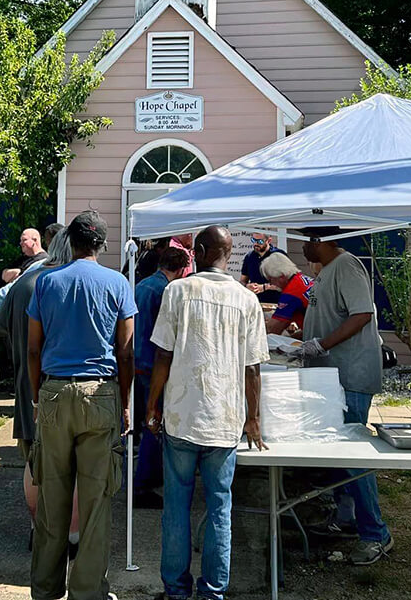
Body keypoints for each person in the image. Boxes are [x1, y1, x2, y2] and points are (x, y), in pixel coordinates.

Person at [146, 226, 268, 600]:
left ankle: (176, 591)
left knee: (176, 507)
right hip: (225, 418)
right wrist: (253, 418)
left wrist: (152, 405)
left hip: (182, 416)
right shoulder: (247, 300)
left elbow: (163, 355)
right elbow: (253, 368)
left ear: (198, 252)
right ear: (228, 255)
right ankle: (213, 591)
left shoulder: (177, 291)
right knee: (219, 507)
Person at [27, 210, 136, 600]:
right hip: (101, 393)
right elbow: (126, 351)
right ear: (102, 244)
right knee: (96, 503)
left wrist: (37, 395)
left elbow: (33, 347)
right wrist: (125, 402)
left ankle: (45, 589)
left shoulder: (46, 282)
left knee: (51, 499)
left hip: (55, 391)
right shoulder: (117, 283)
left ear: (69, 242)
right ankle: (88, 592)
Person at [299, 227, 393, 565]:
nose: (303, 247)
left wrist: (322, 344)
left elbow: (361, 314)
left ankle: (376, 534)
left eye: (305, 240)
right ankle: (346, 516)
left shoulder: (347, 265)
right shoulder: (326, 270)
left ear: (319, 241)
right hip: (331, 375)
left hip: (350, 375)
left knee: (353, 456)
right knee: (338, 451)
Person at [0, 226, 77, 543]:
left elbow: (1, 327)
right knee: (68, 464)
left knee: (33, 461)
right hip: (61, 386)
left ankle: (37, 529)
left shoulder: (23, 283)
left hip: (26, 388)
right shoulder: (65, 284)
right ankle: (68, 534)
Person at [131, 245, 191, 506]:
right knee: (154, 423)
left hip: (135, 359)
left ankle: (138, 479)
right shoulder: (166, 291)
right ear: (181, 270)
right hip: (153, 363)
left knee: (140, 424)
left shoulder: (141, 285)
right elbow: (166, 335)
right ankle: (144, 484)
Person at [0, 224, 55, 318]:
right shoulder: (22, 259)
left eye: (24, 240)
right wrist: (19, 271)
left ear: (35, 240)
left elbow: (12, 286)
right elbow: (4, 275)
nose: (20, 243)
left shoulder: (42, 262)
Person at [259, 252, 314, 334]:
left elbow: (272, 329)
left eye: (270, 279)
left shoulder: (291, 292)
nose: (271, 284)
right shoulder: (300, 278)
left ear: (281, 276)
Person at [240, 232, 285, 303]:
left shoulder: (278, 255)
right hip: (254, 302)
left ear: (269, 241)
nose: (256, 244)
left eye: (260, 241)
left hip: (276, 303)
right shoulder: (249, 257)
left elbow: (285, 282)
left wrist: (264, 287)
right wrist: (247, 286)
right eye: (253, 240)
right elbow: (242, 281)